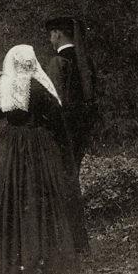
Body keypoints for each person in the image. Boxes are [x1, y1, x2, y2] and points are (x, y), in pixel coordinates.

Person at [0, 44, 84, 274]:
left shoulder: (3, 87)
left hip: (11, 145)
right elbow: (56, 117)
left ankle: (15, 262)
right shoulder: (38, 86)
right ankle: (43, 257)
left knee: (13, 197)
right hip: (37, 145)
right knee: (40, 196)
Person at [45, 14, 98, 175]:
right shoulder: (86, 61)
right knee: (73, 170)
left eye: (51, 35)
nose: (50, 39)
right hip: (83, 124)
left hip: (64, 126)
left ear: (57, 34)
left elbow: (53, 99)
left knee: (62, 172)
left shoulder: (58, 62)